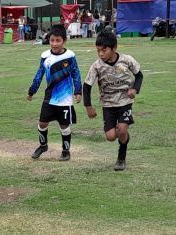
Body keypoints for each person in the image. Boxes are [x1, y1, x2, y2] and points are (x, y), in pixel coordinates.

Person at [82, 30, 143, 171]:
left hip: (125, 102)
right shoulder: (97, 66)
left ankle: (121, 158)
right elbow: (87, 86)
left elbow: (139, 76)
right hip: (108, 105)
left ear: (114, 48)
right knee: (110, 136)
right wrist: (88, 106)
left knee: (121, 130)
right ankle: (123, 133)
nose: (101, 54)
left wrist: (135, 89)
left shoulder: (127, 60)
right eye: (98, 51)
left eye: (104, 50)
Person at [27, 24, 82, 161]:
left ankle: (66, 150)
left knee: (64, 125)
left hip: (64, 98)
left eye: (58, 40)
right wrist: (32, 91)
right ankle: (43, 145)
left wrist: (78, 91)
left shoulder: (70, 56)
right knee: (42, 123)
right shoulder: (45, 56)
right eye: (52, 40)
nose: (54, 43)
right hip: (49, 96)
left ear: (64, 41)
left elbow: (76, 73)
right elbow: (39, 74)